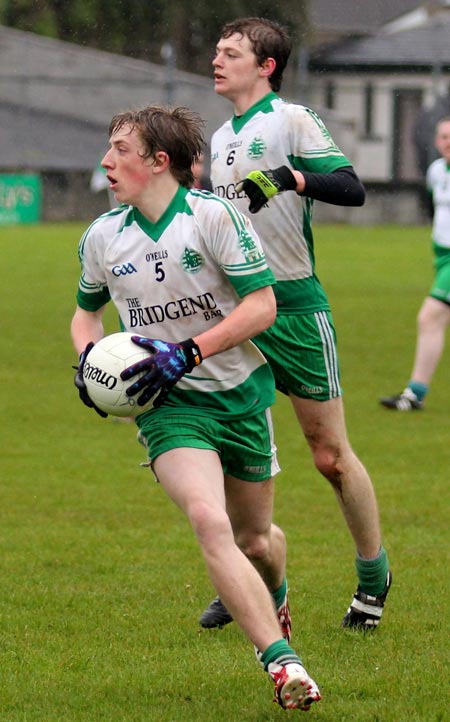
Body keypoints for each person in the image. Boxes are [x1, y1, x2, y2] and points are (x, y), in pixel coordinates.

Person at [71, 104, 321, 711]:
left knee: (256, 539)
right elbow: (86, 315)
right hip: (168, 406)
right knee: (209, 522)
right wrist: (87, 361)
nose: (107, 161)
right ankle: (283, 666)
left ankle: (276, 592)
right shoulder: (103, 236)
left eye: (121, 150)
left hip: (240, 397)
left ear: (160, 162)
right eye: (109, 148)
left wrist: (188, 351)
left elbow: (262, 305)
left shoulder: (216, 219)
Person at [199, 16, 391, 633]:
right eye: (217, 51)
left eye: (232, 52)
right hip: (237, 311)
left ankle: (372, 574)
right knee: (230, 449)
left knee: (330, 456)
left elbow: (352, 188)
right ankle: (246, 568)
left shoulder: (292, 119)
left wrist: (291, 177)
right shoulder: (221, 136)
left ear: (267, 66)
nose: (217, 60)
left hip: (295, 309)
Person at [380, 116, 450, 411]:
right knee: (434, 319)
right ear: (436, 142)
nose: (449, 143)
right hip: (441, 256)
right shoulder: (436, 171)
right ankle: (415, 394)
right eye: (444, 137)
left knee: (430, 316)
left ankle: (414, 395)